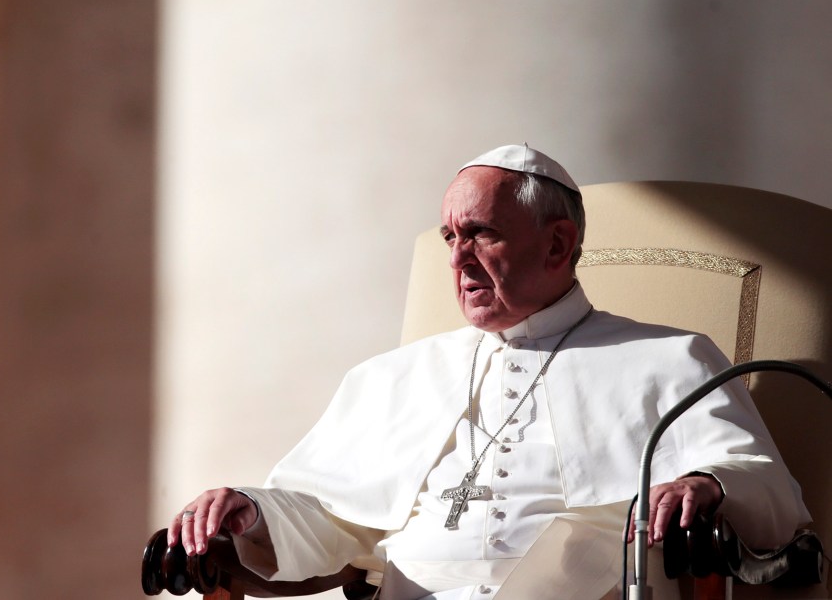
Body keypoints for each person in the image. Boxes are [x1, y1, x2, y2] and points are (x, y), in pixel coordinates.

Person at [166, 145, 810, 600]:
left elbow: (763, 486)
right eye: (450, 237)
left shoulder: (670, 360)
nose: (459, 259)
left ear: (558, 244)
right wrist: (250, 509)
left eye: (480, 233)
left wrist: (705, 483)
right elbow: (328, 513)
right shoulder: (392, 377)